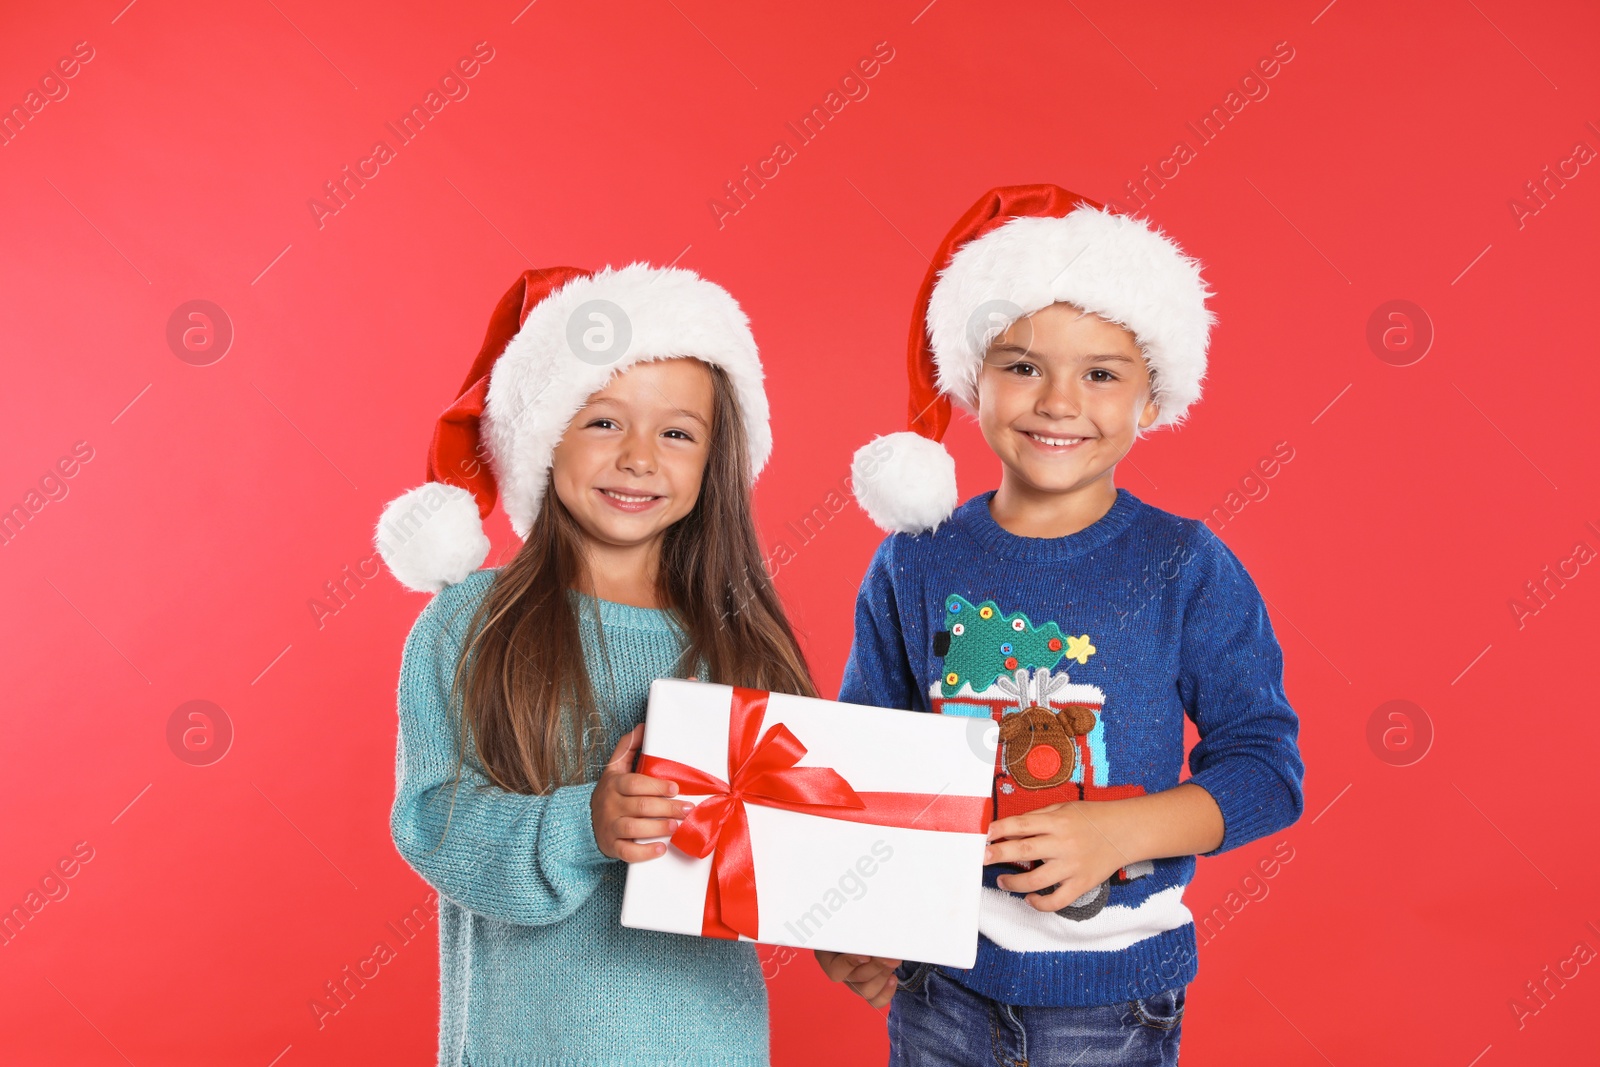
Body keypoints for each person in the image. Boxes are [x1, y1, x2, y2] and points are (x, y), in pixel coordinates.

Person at [815, 185, 1305, 1066]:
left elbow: (1268, 771)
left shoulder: (1183, 565)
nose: (1058, 400)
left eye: (1102, 373)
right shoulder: (914, 562)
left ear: (1152, 398)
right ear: (971, 379)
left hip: (1114, 999)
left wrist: (1123, 831)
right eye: (1022, 364)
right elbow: (863, 763)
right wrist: (849, 918)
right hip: (938, 986)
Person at [375, 263, 814, 1067]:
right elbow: (430, 821)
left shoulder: (740, 639)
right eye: (605, 422)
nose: (640, 458)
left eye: (677, 432)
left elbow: (794, 844)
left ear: (713, 460)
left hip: (712, 1045)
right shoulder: (468, 624)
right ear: (543, 436)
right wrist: (584, 823)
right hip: (526, 1044)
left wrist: (848, 928)